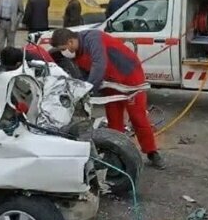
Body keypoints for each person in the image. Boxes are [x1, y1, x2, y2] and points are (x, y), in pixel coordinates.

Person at [50, 28, 165, 169]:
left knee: (137, 117)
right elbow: (84, 76)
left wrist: (88, 89)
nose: (65, 51)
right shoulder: (76, 54)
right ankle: (117, 153)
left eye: (64, 48)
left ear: (70, 41)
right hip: (109, 82)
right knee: (114, 120)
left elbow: (99, 64)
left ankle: (152, 152)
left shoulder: (93, 39)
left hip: (129, 76)